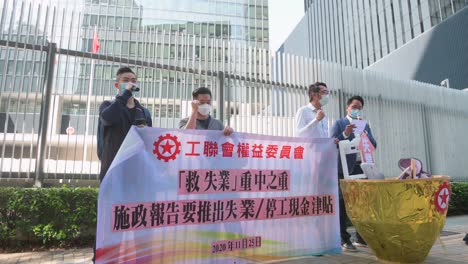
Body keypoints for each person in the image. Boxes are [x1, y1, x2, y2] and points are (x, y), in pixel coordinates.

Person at [331, 95, 377, 251]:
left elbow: (374, 144)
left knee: (362, 203)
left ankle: (361, 237)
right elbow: (331, 143)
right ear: (347, 108)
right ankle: (344, 239)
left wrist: (365, 133)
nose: (357, 110)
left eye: (359, 108)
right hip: (343, 168)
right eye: (354, 107)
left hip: (362, 167)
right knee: (343, 204)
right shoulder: (339, 123)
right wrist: (344, 134)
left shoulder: (364, 124)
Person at [98, 67, 152, 182]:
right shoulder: (107, 105)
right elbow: (108, 119)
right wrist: (126, 94)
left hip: (137, 168)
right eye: (126, 80)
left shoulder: (143, 111)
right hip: (113, 166)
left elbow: (150, 140)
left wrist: (145, 131)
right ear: (117, 85)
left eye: (133, 80)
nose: (130, 83)